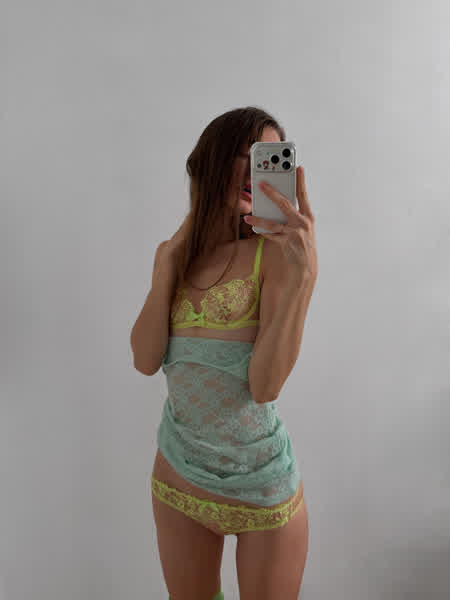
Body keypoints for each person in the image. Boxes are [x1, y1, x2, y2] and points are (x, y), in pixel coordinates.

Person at [130, 106, 318, 600]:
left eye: (270, 160)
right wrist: (167, 263)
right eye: (249, 156)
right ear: (213, 159)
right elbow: (145, 360)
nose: (259, 173)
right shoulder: (176, 256)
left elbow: (265, 386)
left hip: (262, 489)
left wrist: (305, 278)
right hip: (178, 479)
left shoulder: (274, 255)